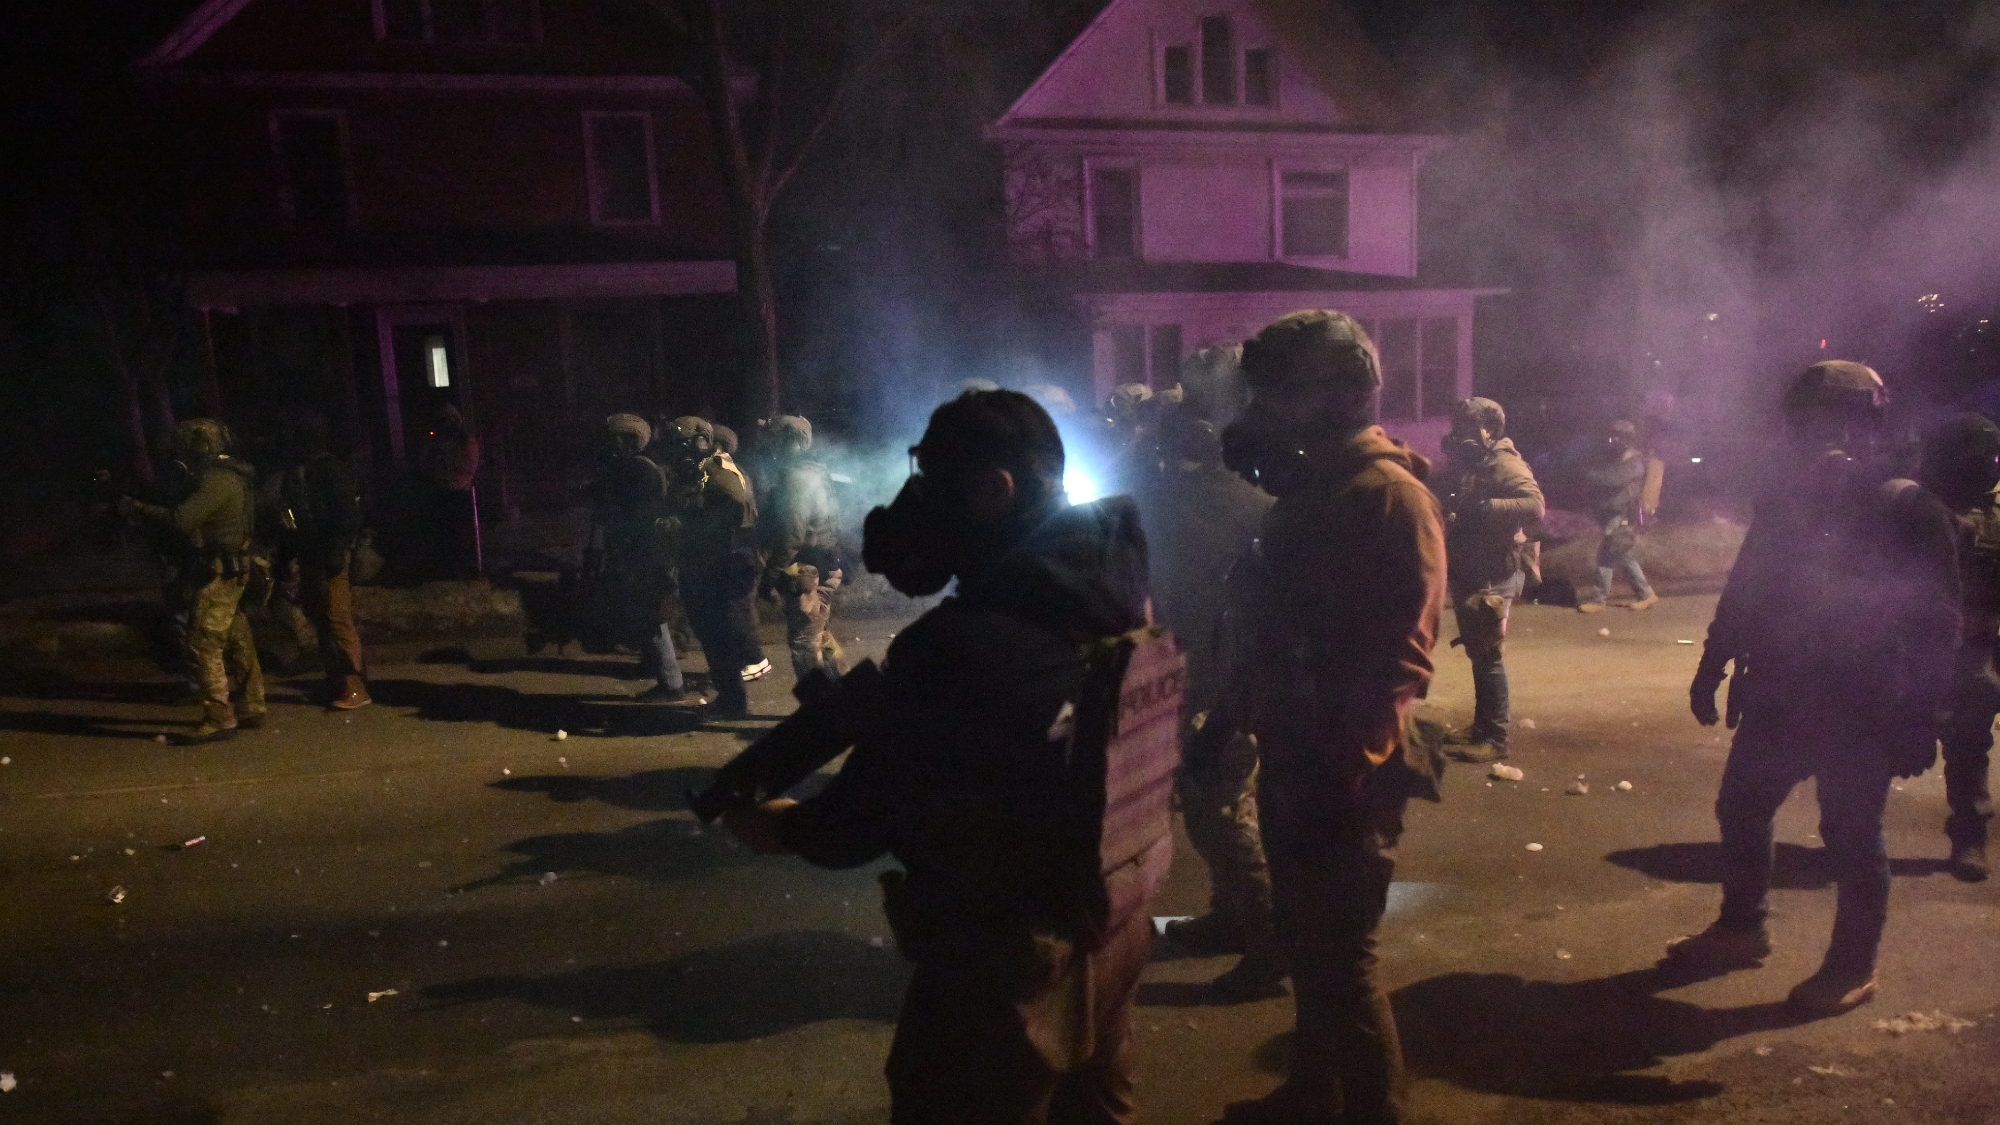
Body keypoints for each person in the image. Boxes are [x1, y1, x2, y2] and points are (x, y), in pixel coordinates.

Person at [722, 389, 1167, 1122]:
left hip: (1010, 958)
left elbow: (860, 820)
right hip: (1113, 914)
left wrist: (781, 825)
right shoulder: (1112, 579)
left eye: (935, 479)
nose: (918, 500)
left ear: (996, 490)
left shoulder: (957, 646)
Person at [1216, 310, 1447, 1124]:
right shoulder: (1320, 489)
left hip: (1342, 768)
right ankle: (1314, 1088)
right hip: (1296, 749)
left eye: (1280, 393)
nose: (1265, 413)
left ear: (1338, 396)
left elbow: (1401, 654)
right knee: (1308, 943)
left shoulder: (1387, 496)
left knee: (1343, 958)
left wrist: (1352, 762)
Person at [1673, 361, 1960, 1014]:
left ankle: (1852, 966)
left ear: (1865, 425)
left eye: (1824, 420)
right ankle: (1742, 928)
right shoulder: (1789, 499)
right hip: (1782, 690)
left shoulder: (1907, 505)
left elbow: (1939, 622)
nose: (1809, 435)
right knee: (1742, 804)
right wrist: (1714, 660)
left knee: (1851, 834)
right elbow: (1748, 585)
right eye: (1803, 422)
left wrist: (1923, 716)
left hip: (1863, 703)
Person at [1132, 345, 1284, 1000]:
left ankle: (1270, 944)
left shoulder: (1230, 500)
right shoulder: (1210, 492)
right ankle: (1233, 917)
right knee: (1215, 802)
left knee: (1220, 808)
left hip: (1227, 672)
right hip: (1203, 661)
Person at [119, 418, 269, 743]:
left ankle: (220, 717)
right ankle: (251, 705)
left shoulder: (217, 481)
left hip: (219, 570)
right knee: (235, 635)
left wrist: (137, 509)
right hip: (232, 566)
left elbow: (180, 520)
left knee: (202, 643)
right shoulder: (233, 476)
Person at [1437, 397, 1546, 764]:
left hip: (1495, 573)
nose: (1461, 434)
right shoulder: (1474, 463)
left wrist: (1485, 509)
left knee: (1489, 656)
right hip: (1474, 569)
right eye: (1459, 425)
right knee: (1479, 653)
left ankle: (1495, 737)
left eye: (1470, 427)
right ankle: (1482, 726)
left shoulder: (1503, 461)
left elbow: (1534, 505)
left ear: (1490, 428)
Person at [1918, 413, 2000, 881]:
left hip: (1971, 650)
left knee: (1970, 746)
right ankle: (1853, 831)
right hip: (1912, 651)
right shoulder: (1916, 504)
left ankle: (1970, 837)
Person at [587, 413, 697, 705]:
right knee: (647, 613)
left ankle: (672, 684)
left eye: (617, 438)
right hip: (645, 550)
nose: (611, 444)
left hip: (645, 553)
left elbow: (629, 513)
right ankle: (656, 668)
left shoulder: (636, 470)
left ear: (630, 439)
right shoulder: (637, 467)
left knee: (652, 616)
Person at [264, 409, 370, 709]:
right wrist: (285, 558)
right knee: (323, 619)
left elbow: (346, 515)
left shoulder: (328, 469)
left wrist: (337, 550)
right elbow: (291, 520)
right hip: (312, 552)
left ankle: (354, 685)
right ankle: (338, 680)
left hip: (327, 552)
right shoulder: (299, 472)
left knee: (336, 618)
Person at [663, 417, 763, 717]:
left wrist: (701, 528)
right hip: (707, 560)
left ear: (698, 442)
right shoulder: (701, 470)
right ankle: (731, 698)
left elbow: (734, 505)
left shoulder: (716, 469)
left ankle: (734, 699)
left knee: (718, 633)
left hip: (717, 562)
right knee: (711, 634)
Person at [758, 415, 847, 684]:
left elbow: (791, 538)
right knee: (821, 634)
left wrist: (769, 577)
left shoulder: (795, 480)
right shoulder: (815, 471)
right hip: (824, 563)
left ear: (791, 443)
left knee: (804, 642)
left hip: (804, 569)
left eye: (775, 441)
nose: (770, 447)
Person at [1578, 419, 1658, 612]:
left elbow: (1611, 480)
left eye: (1617, 436)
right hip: (1614, 514)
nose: (1612, 440)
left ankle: (1600, 600)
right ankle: (1646, 595)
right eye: (1612, 436)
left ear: (1627, 438)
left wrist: (1589, 474)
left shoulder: (1634, 462)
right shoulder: (1621, 459)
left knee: (1610, 555)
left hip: (1622, 515)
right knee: (1620, 555)